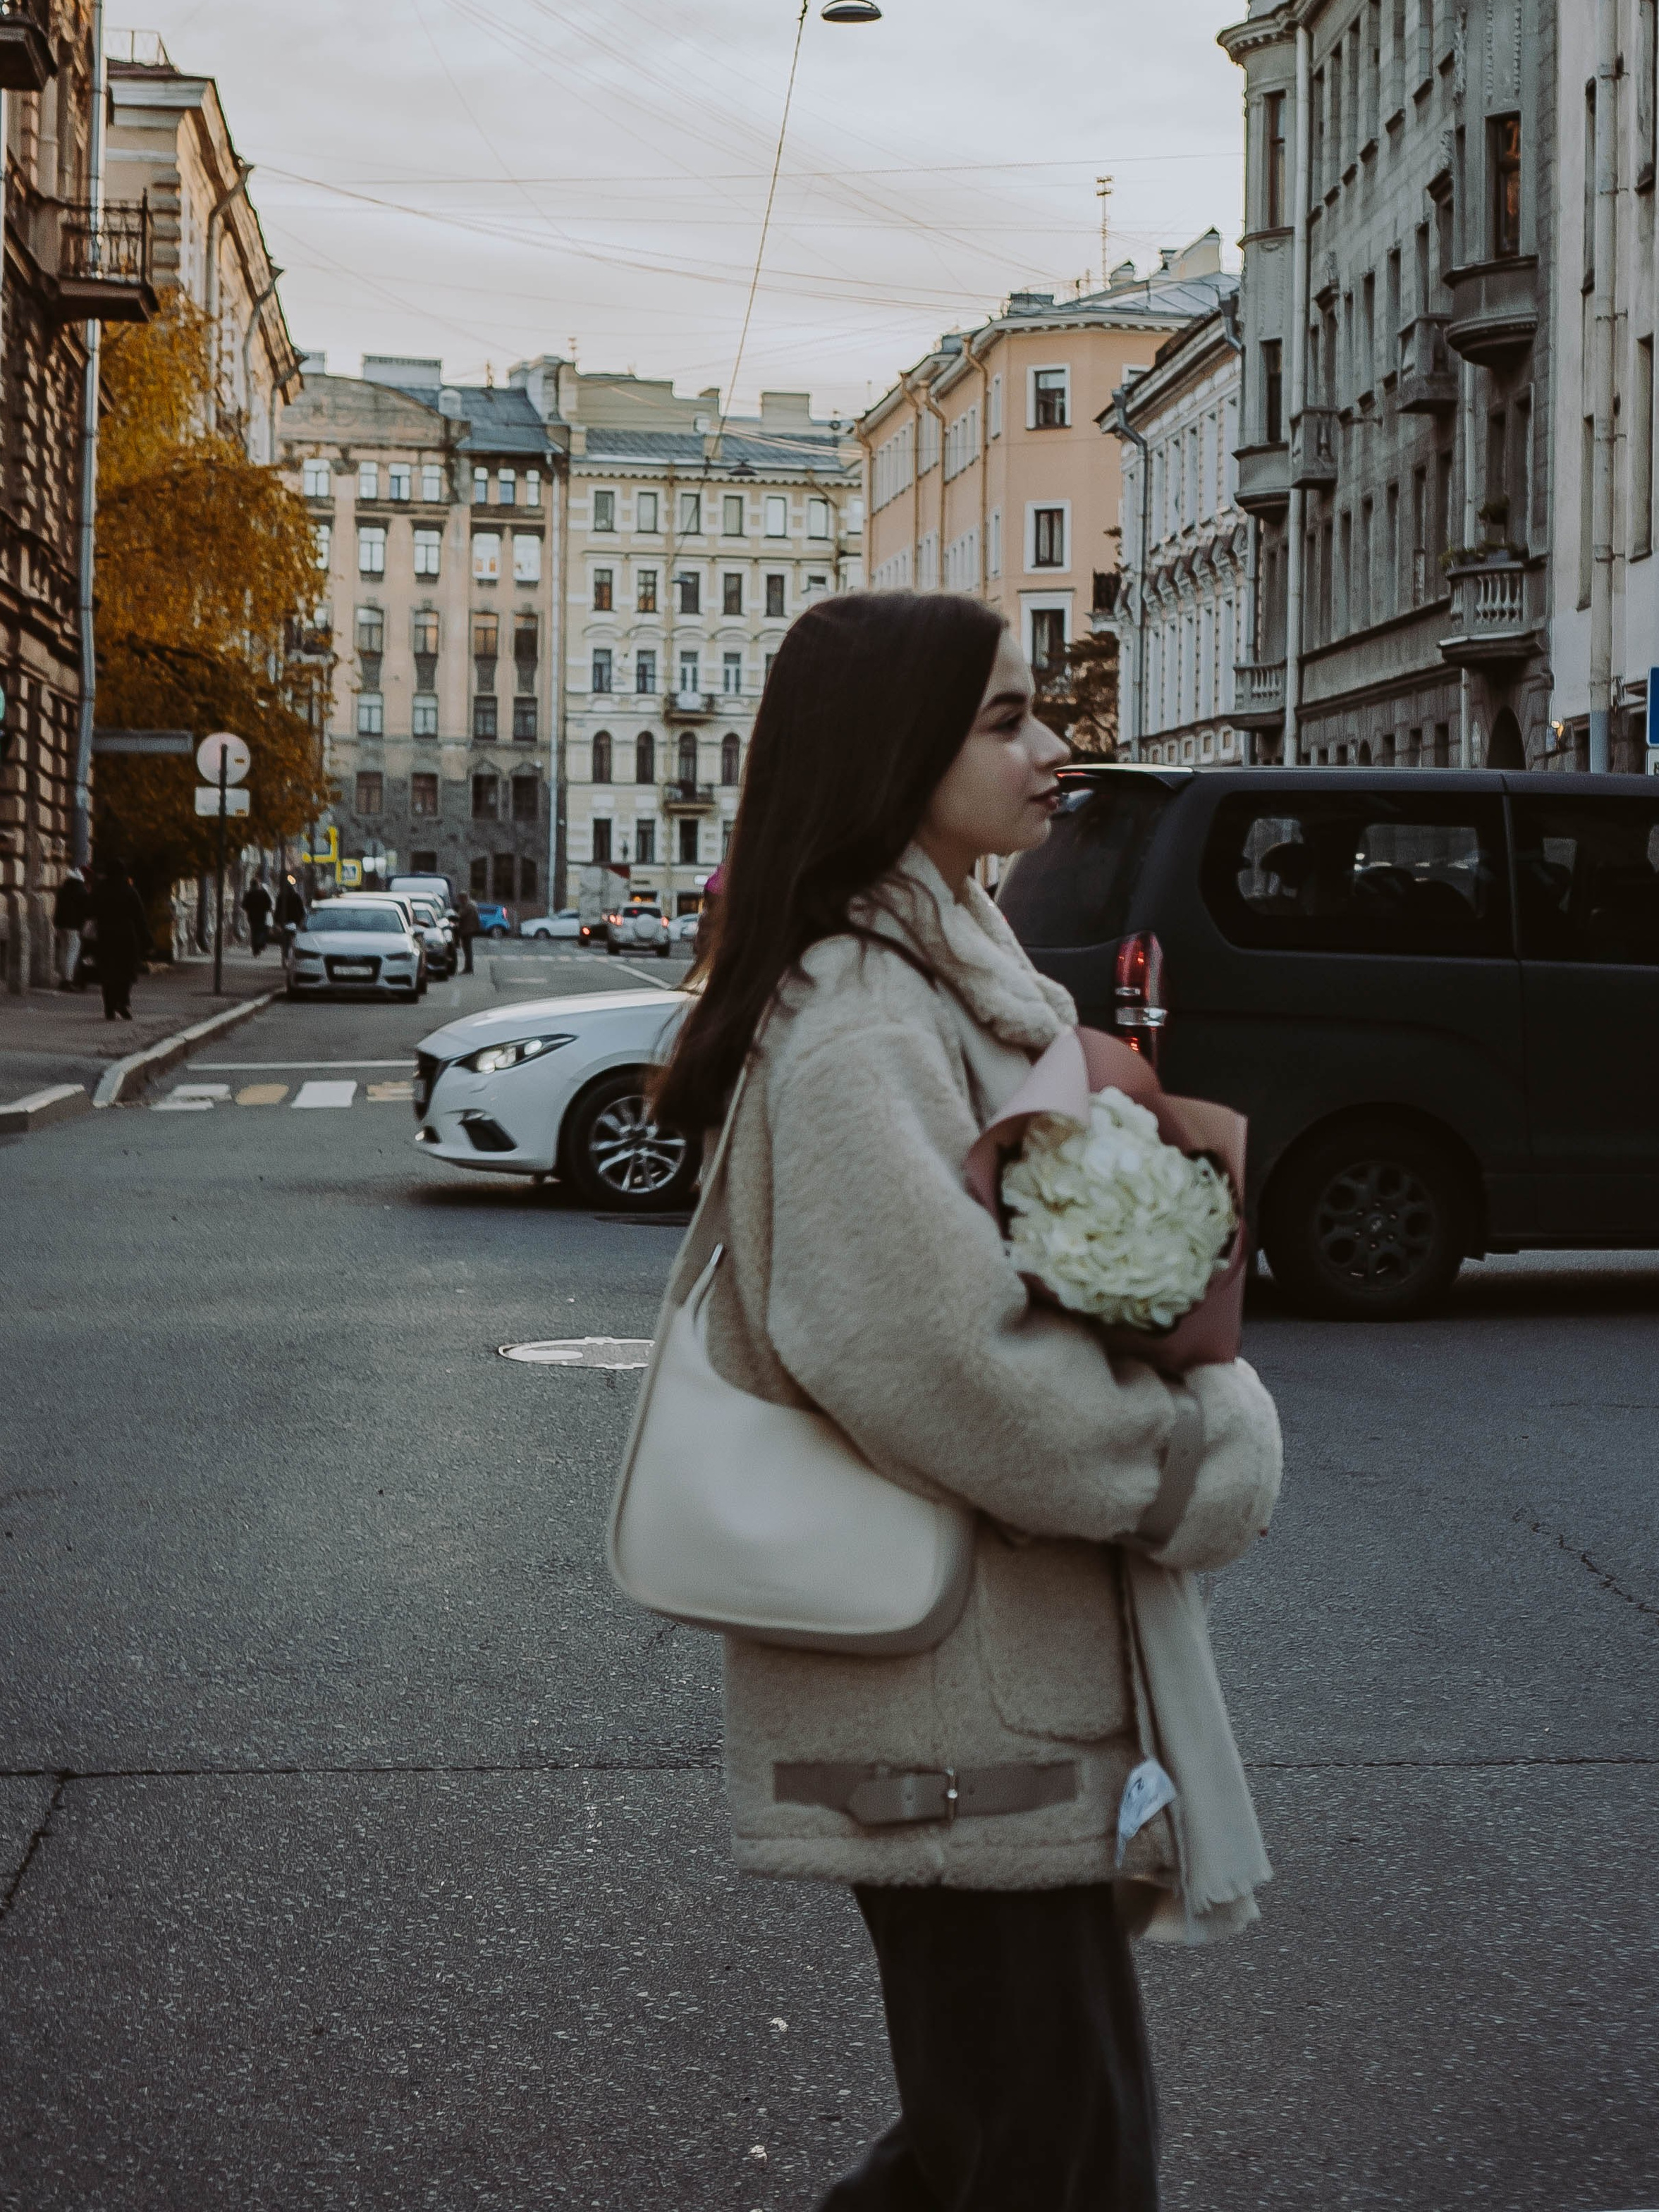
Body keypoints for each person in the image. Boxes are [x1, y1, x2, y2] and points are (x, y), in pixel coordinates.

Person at [651, 593, 1279, 2212]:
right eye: (1003, 718)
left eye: (1036, 711)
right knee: (1049, 2160)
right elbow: (935, 1360)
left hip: (987, 1693)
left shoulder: (951, 970)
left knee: (995, 2148)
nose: (1051, 745)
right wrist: (1184, 1455)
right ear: (889, 753)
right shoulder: (866, 1017)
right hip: (955, 1710)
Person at [89, 860, 152, 1023]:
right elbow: (139, 917)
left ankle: (109, 1007)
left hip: (105, 935)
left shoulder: (100, 890)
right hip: (125, 936)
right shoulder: (129, 891)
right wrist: (147, 939)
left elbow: (90, 909)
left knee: (107, 972)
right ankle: (122, 1001)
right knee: (127, 971)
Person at [51, 864, 89, 990]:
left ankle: (63, 978)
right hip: (73, 926)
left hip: (60, 924)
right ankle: (68, 980)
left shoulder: (62, 890)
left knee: (63, 950)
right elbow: (85, 910)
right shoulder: (81, 891)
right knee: (72, 951)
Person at [273, 873, 305, 966]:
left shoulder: (281, 897)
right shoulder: (296, 896)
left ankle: (286, 957)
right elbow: (301, 910)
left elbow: (278, 910)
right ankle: (291, 958)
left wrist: (276, 922)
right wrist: (301, 921)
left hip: (284, 922)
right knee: (293, 940)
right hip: (295, 922)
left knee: (285, 942)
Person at [243, 875, 274, 957]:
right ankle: (260, 944)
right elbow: (269, 903)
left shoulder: (249, 893)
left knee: (254, 932)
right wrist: (266, 910)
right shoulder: (263, 893)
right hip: (262, 916)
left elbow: (244, 905)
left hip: (252, 916)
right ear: (258, 885)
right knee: (262, 931)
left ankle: (255, 950)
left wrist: (249, 909)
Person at [454, 891, 479, 976]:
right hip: (469, 930)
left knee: (467, 950)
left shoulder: (468, 906)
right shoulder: (471, 905)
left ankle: (468, 968)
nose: (459, 901)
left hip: (467, 930)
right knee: (467, 950)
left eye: (460, 899)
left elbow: (460, 915)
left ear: (463, 898)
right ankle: (469, 967)